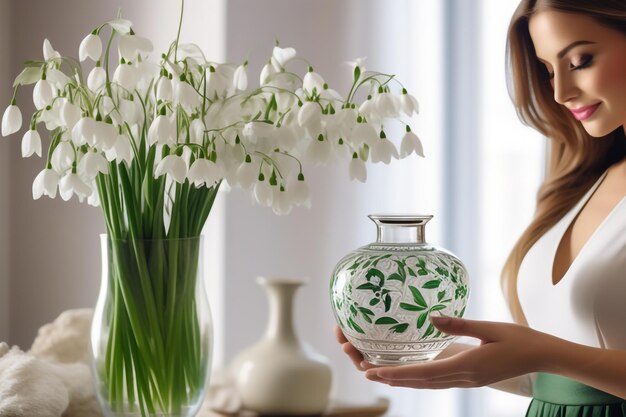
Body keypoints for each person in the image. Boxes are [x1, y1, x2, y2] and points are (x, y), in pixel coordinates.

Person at [335, 0, 626, 415]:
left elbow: (551, 357)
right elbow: (555, 378)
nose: (560, 92)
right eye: (547, 71)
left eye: (580, 60)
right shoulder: (585, 183)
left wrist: (544, 353)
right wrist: (422, 351)